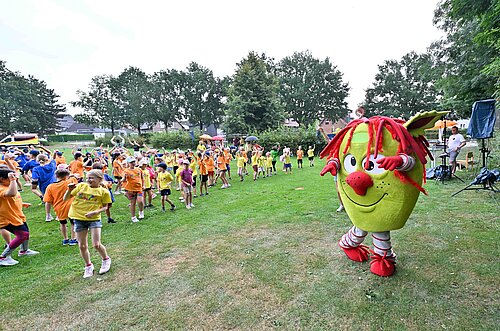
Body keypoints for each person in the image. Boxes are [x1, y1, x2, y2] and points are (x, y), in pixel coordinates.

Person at [64, 169, 111, 278]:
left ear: (99, 179)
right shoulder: (81, 186)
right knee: (82, 245)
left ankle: (106, 259)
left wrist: (95, 212)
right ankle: (88, 266)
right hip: (78, 218)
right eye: (87, 178)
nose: (88, 180)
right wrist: (69, 190)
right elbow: (65, 198)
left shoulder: (104, 191)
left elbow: (105, 206)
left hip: (94, 219)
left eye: (91, 178)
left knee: (96, 244)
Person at [0, 168, 38, 266]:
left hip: (17, 215)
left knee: (26, 233)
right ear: (1, 179)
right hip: (7, 218)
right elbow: (11, 194)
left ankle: (24, 251)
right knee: (22, 235)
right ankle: (3, 257)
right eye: (10, 178)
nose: (14, 179)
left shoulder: (8, 185)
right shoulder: (1, 188)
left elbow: (13, 198)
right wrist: (13, 180)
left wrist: (22, 203)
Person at [44, 168, 78, 245]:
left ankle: (65, 239)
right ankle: (73, 239)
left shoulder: (50, 187)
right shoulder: (70, 182)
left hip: (59, 208)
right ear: (66, 176)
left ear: (56, 176)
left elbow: (47, 200)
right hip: (70, 206)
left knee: (62, 223)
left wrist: (48, 213)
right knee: (73, 223)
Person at [31, 154, 56, 222]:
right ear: (46, 159)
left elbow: (35, 179)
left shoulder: (36, 169)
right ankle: (58, 215)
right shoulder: (52, 165)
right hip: (54, 184)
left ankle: (48, 215)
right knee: (56, 200)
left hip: (44, 186)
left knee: (47, 201)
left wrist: (34, 187)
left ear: (38, 160)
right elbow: (53, 158)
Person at [122, 157, 144, 223]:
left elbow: (142, 178)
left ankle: (141, 211)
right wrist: (124, 178)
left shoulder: (139, 170)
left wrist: (144, 185)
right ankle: (133, 217)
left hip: (139, 188)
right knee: (133, 203)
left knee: (140, 201)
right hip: (130, 189)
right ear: (128, 163)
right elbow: (123, 180)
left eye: (134, 162)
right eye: (131, 162)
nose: (133, 163)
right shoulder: (126, 171)